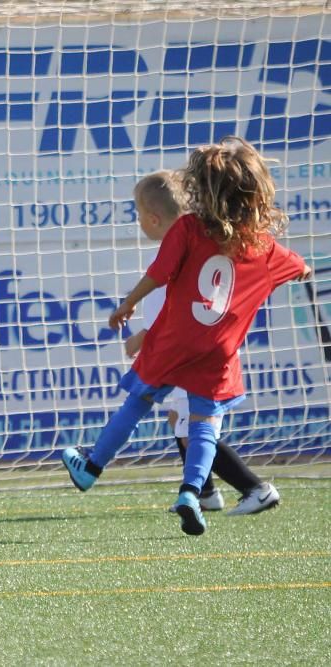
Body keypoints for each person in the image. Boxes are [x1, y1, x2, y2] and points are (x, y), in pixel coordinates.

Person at [61, 137, 310, 536]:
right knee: (204, 424)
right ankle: (192, 492)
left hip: (175, 341)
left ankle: (91, 467)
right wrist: (303, 271)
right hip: (219, 351)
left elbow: (159, 273)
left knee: (138, 400)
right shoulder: (265, 247)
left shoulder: (189, 228)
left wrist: (126, 305)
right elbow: (299, 267)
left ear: (203, 189)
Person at [124, 170, 280, 516]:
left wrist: (142, 339)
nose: (137, 221)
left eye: (137, 213)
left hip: (193, 359)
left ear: (153, 217)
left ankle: (255, 488)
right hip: (189, 357)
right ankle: (205, 492)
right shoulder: (189, 245)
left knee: (195, 428)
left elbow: (180, 319)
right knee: (180, 420)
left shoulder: (182, 253)